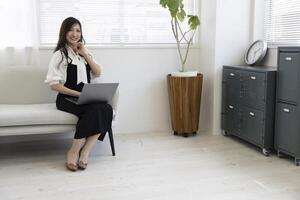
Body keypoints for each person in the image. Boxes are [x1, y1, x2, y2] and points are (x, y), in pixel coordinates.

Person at [45, 17, 113, 171]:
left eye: (78, 30)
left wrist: (85, 53)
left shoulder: (84, 53)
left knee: (106, 108)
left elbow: (98, 72)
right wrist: (77, 94)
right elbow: (55, 85)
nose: (75, 34)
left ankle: (85, 151)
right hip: (66, 97)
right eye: (71, 30)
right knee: (93, 111)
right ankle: (73, 151)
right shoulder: (60, 55)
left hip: (85, 97)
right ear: (64, 32)